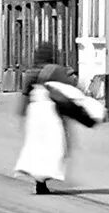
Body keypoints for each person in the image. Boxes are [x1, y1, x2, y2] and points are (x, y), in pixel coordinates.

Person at [11, 59, 102, 195]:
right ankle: (44, 177)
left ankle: (40, 181)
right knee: (56, 147)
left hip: (36, 115)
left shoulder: (34, 75)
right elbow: (69, 100)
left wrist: (23, 113)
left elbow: (26, 95)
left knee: (39, 147)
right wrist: (87, 120)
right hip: (51, 116)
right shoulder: (55, 74)